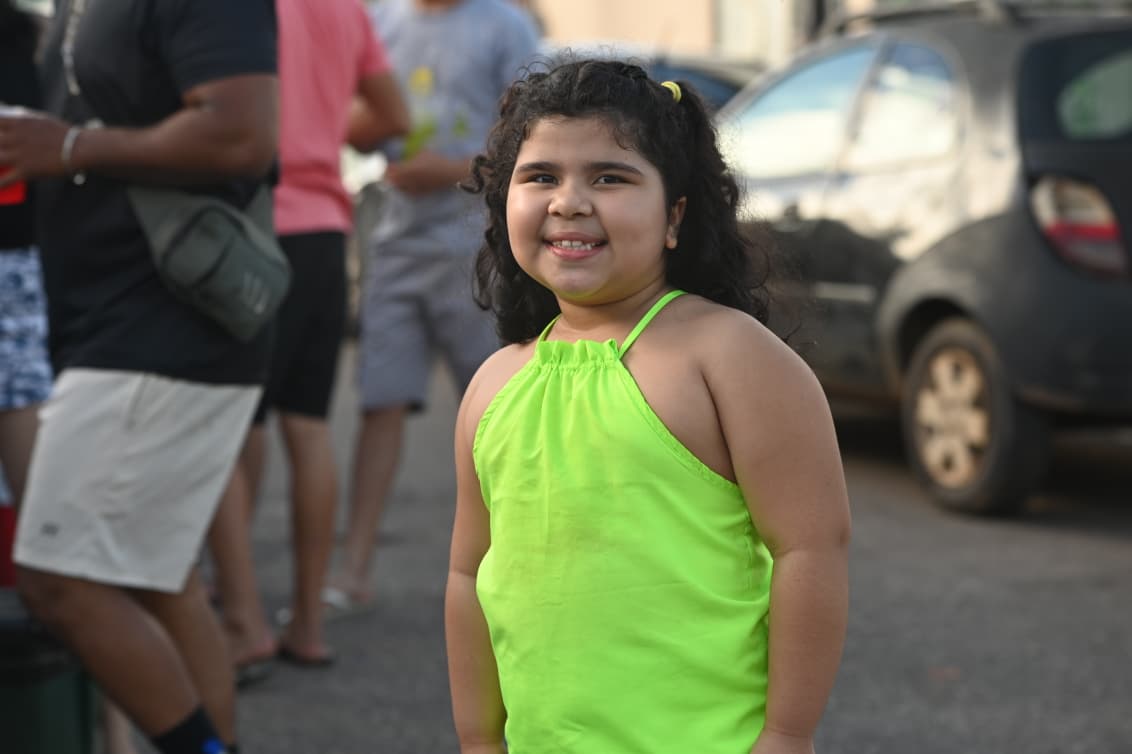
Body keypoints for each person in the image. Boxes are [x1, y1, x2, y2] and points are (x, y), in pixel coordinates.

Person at [445, 59, 852, 754]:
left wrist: (787, 734)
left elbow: (811, 548)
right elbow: (466, 576)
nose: (570, 202)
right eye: (541, 176)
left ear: (674, 217)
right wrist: (480, 739)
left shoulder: (728, 355)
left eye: (610, 177)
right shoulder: (494, 382)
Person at [0, 0, 279, 752]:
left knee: (59, 579)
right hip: (111, 323)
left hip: (166, 322)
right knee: (159, 580)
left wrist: (71, 146)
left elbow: (243, 132)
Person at [205, 0, 410, 681]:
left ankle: (241, 617)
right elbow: (394, 116)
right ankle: (308, 624)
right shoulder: (344, 8)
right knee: (308, 425)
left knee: (236, 422)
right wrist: (322, 132)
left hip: (254, 225)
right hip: (325, 230)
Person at [326, 0, 539, 615]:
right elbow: (352, 117)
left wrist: (447, 170)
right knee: (379, 403)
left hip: (480, 248)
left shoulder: (505, 26)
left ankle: (520, 568)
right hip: (396, 243)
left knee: (499, 414)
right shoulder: (381, 20)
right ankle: (353, 569)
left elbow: (534, 143)